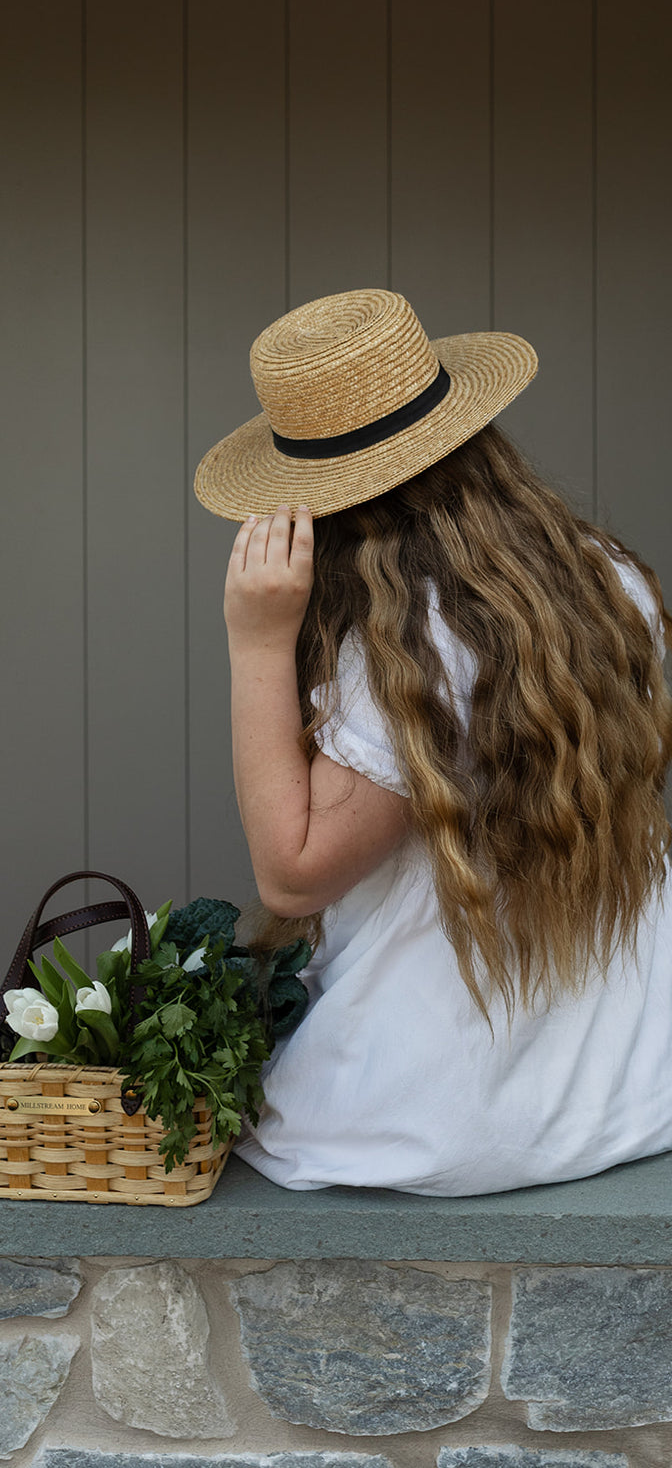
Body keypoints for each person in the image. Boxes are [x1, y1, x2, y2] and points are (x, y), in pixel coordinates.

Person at [193, 288, 672, 1196]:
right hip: (626, 1091)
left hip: (443, 1113)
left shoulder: (407, 659)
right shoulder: (608, 581)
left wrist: (257, 643)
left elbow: (293, 874)